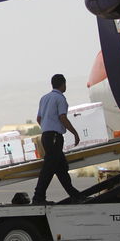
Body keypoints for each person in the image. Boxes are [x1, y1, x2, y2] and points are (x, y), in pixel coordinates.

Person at [32, 74, 82, 205]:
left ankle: (75, 195)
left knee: (61, 167)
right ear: (63, 84)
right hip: (55, 137)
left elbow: (39, 119)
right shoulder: (60, 99)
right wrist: (75, 133)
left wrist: (47, 128)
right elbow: (62, 117)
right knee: (49, 168)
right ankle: (38, 197)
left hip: (46, 136)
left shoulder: (44, 98)